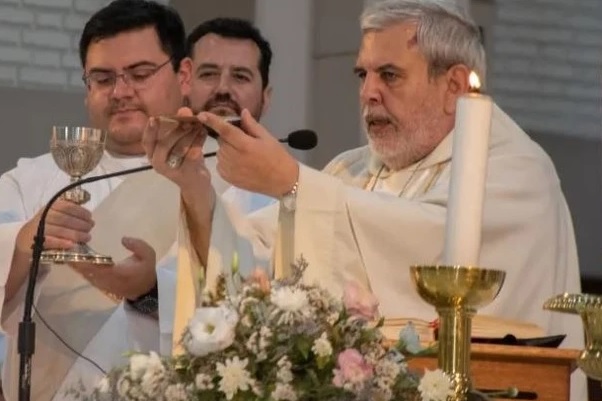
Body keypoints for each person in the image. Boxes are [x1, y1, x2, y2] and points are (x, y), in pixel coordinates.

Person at [143, 0, 586, 399]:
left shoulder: (517, 173)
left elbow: (437, 255)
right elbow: (257, 272)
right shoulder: (352, 171)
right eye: (363, 74)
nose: (368, 92)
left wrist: (293, 182)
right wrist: (196, 188)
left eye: (389, 75)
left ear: (453, 86)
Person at [0, 1, 188, 400]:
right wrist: (22, 242)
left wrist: (150, 291)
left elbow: (247, 299)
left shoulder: (222, 185)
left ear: (183, 75)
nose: (121, 92)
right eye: (103, 78)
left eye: (139, 74)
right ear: (87, 89)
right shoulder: (30, 180)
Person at [156, 16, 276, 355]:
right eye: (209, 74)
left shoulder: (291, 189)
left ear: (266, 96)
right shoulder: (148, 175)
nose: (223, 88)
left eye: (240, 76)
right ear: (185, 81)